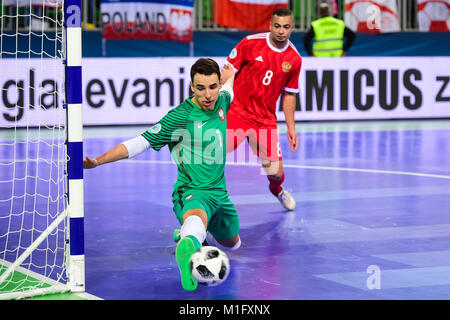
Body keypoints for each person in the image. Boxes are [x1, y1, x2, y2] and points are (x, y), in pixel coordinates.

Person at [83, 58, 240, 292]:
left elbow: (229, 91)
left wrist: (231, 77)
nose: (208, 94)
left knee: (233, 243)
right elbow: (141, 142)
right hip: (192, 191)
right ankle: (188, 241)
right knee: (197, 219)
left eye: (212, 86)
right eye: (200, 88)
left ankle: (186, 233)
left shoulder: (221, 101)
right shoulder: (180, 116)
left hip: (221, 194)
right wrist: (98, 161)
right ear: (191, 86)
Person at [226, 8, 301, 211]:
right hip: (237, 112)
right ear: (270, 25)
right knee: (217, 150)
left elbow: (290, 94)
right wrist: (222, 102)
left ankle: (277, 191)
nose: (281, 31)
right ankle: (205, 198)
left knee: (276, 174)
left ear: (292, 28)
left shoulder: (294, 59)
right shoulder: (250, 43)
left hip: (265, 121)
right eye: (277, 26)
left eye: (286, 27)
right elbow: (228, 71)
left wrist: (291, 128)